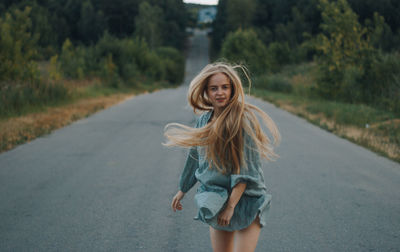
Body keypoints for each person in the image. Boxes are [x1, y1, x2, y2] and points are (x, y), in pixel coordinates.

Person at [164, 62, 280, 252]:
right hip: (219, 199)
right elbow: (195, 157)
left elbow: (246, 172)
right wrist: (182, 189)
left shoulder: (242, 121)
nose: (220, 92)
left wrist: (231, 206)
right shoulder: (203, 120)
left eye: (225, 87)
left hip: (247, 199)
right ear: (206, 92)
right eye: (214, 88)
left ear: (232, 89)